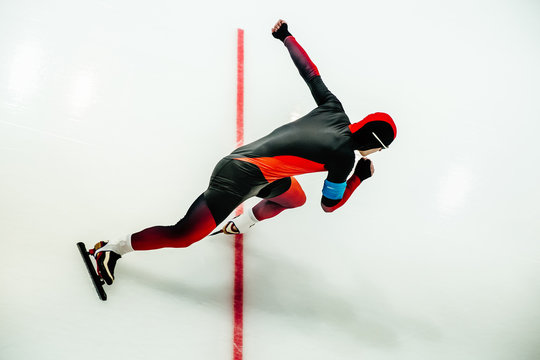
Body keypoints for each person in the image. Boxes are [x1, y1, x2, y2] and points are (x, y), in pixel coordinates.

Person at [90, 19, 397, 285]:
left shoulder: (335, 110)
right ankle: (113, 249)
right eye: (381, 149)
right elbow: (330, 206)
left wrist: (286, 36)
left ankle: (240, 223)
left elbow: (310, 73)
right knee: (183, 235)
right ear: (375, 144)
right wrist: (358, 177)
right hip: (237, 178)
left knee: (295, 198)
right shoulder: (345, 158)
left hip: (255, 170)